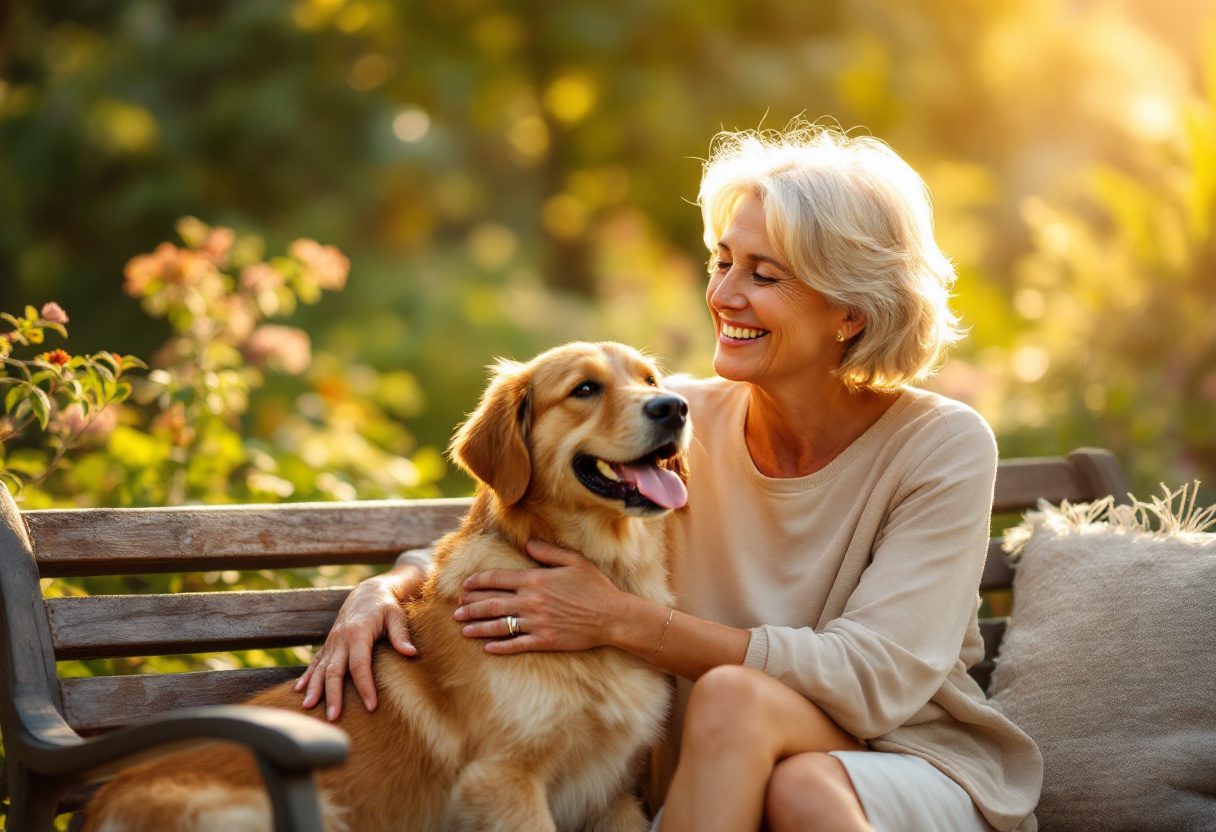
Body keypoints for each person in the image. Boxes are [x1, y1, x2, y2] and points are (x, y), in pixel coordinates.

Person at [295, 123, 1043, 832]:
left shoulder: (940, 445)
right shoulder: (670, 421)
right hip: (725, 775)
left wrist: (623, 621)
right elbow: (521, 516)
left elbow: (874, 681)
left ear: (849, 310)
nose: (723, 295)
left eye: (763, 274)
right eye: (722, 262)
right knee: (785, 772)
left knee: (762, 736)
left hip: (906, 761)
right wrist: (386, 589)